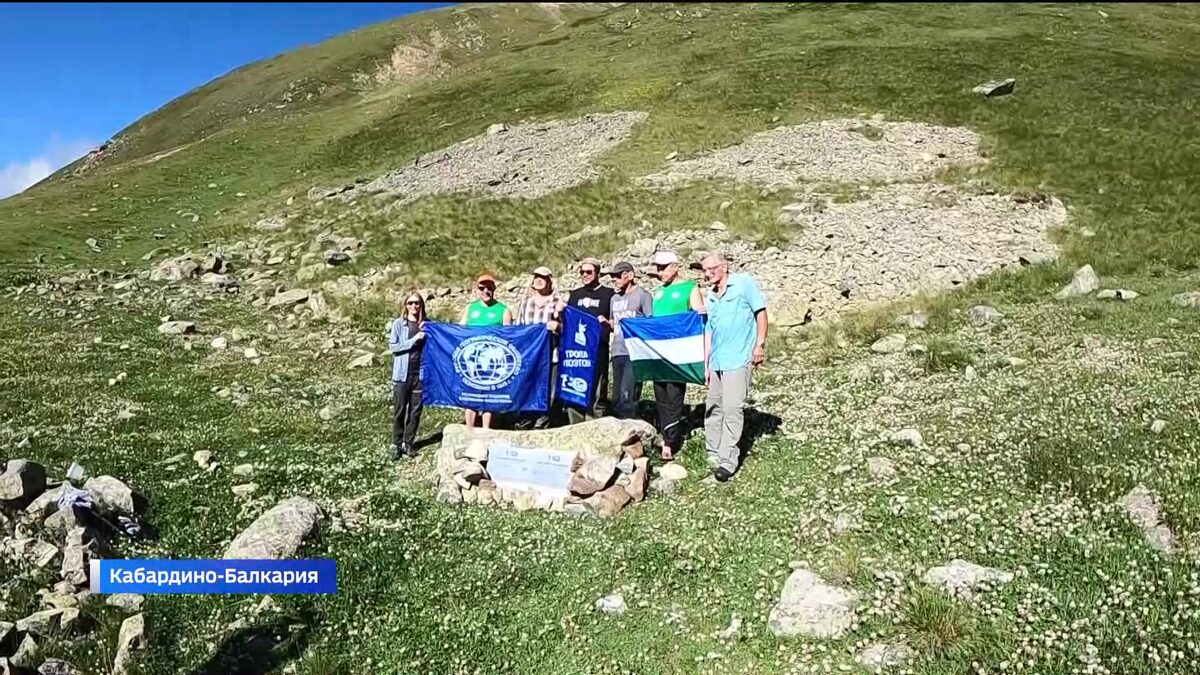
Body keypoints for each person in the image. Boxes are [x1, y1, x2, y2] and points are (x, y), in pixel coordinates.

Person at [699, 253, 767, 482]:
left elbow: (761, 312)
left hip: (739, 358)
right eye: (704, 270)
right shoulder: (710, 296)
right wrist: (706, 363)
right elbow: (710, 329)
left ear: (724, 267)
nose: (707, 274)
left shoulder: (743, 283)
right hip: (717, 359)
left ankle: (728, 460)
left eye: (711, 269)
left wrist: (760, 344)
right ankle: (714, 450)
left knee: (732, 407)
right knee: (713, 406)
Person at [649, 250, 706, 461]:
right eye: (658, 268)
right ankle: (665, 431)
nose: (659, 272)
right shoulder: (659, 292)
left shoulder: (690, 288)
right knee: (660, 394)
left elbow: (699, 314)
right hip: (659, 353)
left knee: (674, 394)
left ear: (675, 266)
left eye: (663, 268)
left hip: (678, 352)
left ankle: (669, 440)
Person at [460, 273, 512, 430]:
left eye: (489, 288)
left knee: (490, 395)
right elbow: (459, 329)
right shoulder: (470, 308)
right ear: (477, 290)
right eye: (482, 288)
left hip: (492, 359)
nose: (486, 291)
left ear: (494, 289)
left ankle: (486, 429)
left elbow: (509, 337)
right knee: (471, 393)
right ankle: (469, 429)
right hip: (472, 357)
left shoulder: (503, 310)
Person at [565, 257, 614, 422]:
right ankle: (575, 426)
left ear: (597, 273)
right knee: (575, 389)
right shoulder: (574, 295)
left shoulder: (609, 294)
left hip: (598, 349)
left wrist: (607, 323)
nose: (585, 275)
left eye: (589, 272)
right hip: (577, 350)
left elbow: (616, 321)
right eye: (582, 272)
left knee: (598, 390)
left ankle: (595, 425)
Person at [514, 266, 563, 428]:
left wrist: (557, 326)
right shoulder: (524, 303)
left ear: (550, 281)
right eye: (536, 277)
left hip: (552, 354)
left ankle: (544, 422)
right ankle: (525, 419)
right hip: (529, 355)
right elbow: (518, 327)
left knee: (550, 390)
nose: (539, 280)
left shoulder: (558, 302)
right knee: (528, 387)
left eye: (543, 277)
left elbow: (567, 329)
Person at [604, 260, 653, 420]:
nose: (614, 280)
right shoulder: (614, 299)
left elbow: (649, 323)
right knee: (617, 397)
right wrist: (605, 323)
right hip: (617, 351)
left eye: (618, 276)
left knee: (628, 396)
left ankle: (632, 434)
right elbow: (614, 323)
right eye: (612, 277)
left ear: (630, 276)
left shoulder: (643, 296)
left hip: (634, 353)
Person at [388, 292, 427, 460]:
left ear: (421, 305)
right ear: (405, 305)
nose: (414, 306)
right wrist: (414, 339)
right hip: (402, 375)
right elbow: (394, 347)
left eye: (417, 303)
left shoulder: (427, 324)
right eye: (410, 303)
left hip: (420, 374)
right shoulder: (398, 324)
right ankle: (396, 444)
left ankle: (408, 443)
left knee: (415, 411)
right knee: (400, 410)